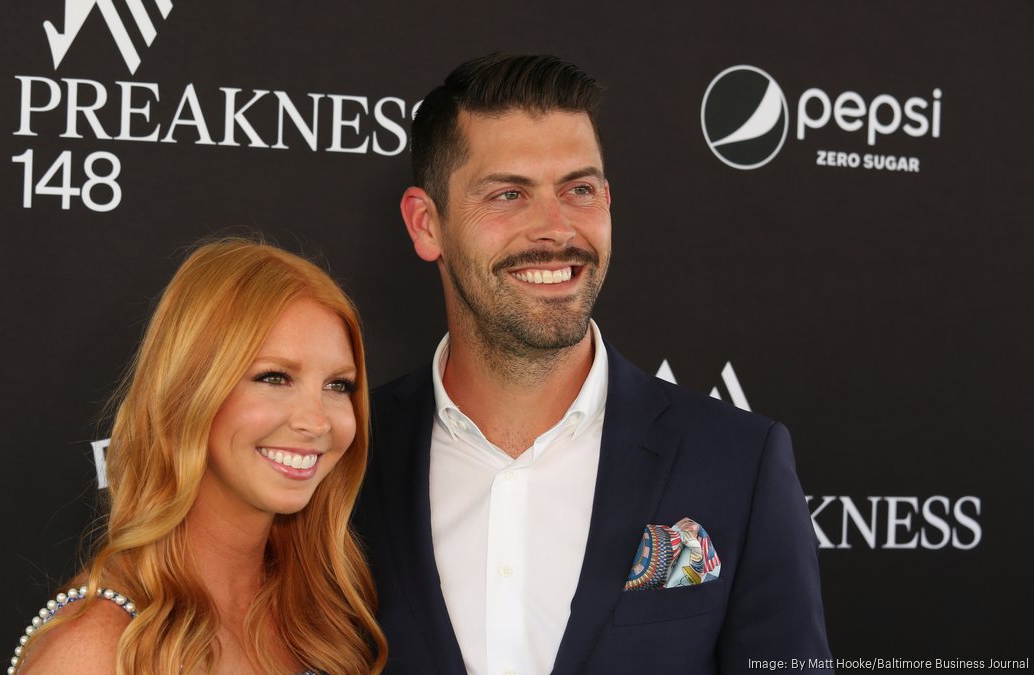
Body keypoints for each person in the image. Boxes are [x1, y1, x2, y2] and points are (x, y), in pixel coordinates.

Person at [353, 54, 832, 674]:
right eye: (508, 194)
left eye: (578, 190)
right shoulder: (349, 456)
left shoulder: (738, 463)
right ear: (427, 225)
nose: (556, 229)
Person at [8, 239, 387, 674]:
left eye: (338, 385)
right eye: (275, 377)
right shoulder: (98, 647)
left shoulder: (325, 614)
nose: (316, 422)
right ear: (189, 391)